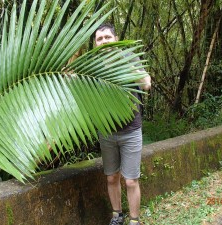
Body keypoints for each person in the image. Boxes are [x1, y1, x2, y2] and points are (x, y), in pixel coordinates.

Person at [94, 23, 151, 225]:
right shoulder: (92, 66)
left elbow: (146, 83)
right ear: (95, 44)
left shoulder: (129, 58)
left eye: (107, 37)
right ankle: (117, 215)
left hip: (130, 131)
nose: (104, 41)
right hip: (107, 132)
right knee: (111, 178)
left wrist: (127, 66)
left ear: (116, 39)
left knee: (131, 180)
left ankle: (134, 220)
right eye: (99, 39)